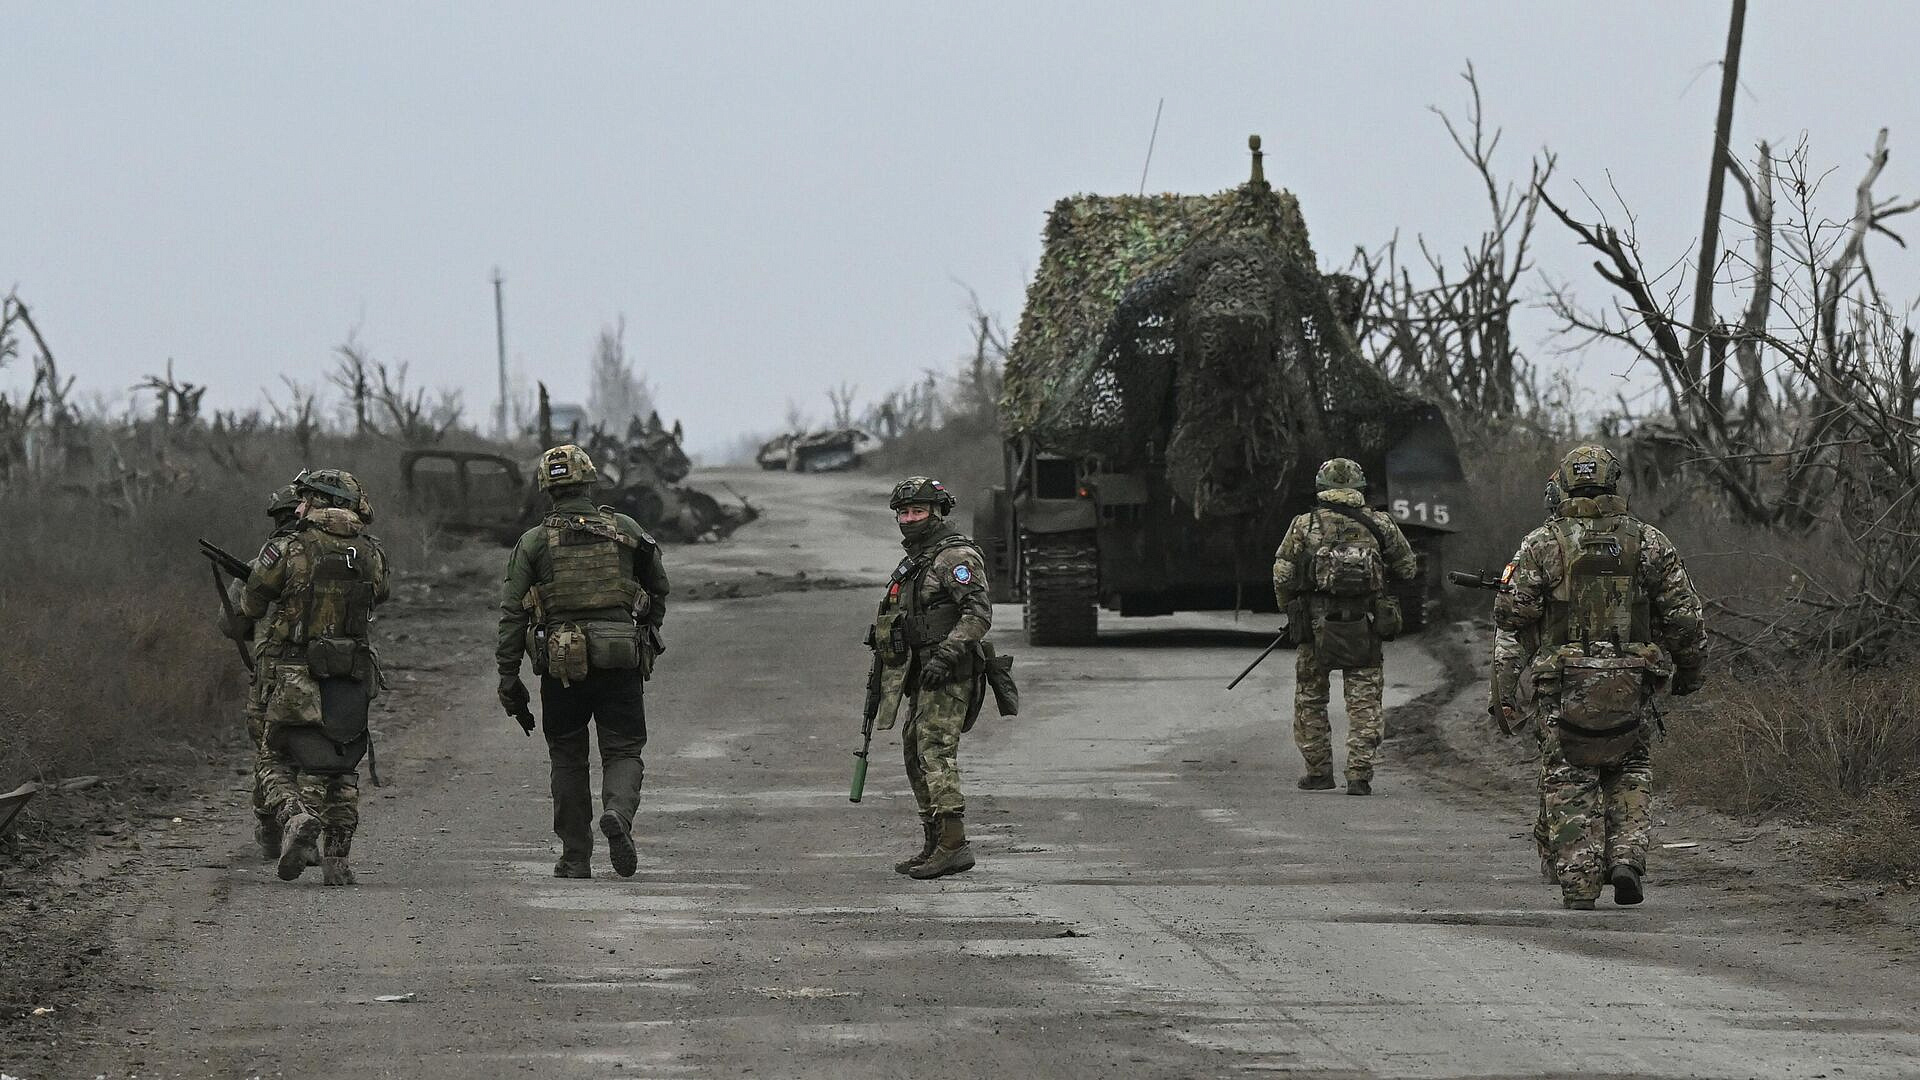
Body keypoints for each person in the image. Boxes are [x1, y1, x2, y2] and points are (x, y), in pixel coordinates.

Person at [1493, 445, 1707, 910]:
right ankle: (1625, 859)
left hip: (1564, 685)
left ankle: (1580, 886)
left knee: (1570, 774)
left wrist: (1507, 692)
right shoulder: (1649, 541)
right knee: (1628, 766)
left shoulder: (1541, 543)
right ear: (1614, 482)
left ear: (1564, 486)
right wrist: (1689, 672)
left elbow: (1512, 615)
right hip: (1632, 683)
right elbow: (1686, 619)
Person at [497, 444, 669, 880]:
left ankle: (575, 858)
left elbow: (513, 612)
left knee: (568, 759)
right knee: (624, 750)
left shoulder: (534, 542)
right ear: (591, 482)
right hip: (620, 657)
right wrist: (647, 630)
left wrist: (508, 677)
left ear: (546, 490)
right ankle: (617, 813)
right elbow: (659, 586)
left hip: (562, 666)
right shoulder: (625, 529)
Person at [230, 469, 389, 886]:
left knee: (275, 757)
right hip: (351, 673)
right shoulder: (371, 553)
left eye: (304, 498)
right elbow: (381, 593)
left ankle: (296, 816)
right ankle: (338, 862)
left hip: (293, 672)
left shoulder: (288, 548)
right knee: (341, 764)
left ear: (317, 501)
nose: (298, 506)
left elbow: (250, 603)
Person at [867, 476, 992, 879]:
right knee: (913, 752)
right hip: (921, 670)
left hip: (950, 670)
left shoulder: (953, 556)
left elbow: (978, 614)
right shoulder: (919, 558)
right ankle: (933, 841)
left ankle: (954, 844)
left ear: (937, 513)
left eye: (918, 511)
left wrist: (947, 655)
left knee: (935, 751)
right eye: (903, 512)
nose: (909, 518)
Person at [1272, 457, 1419, 796]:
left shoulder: (1304, 524)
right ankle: (1359, 776)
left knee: (1310, 699)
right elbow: (1408, 568)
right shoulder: (1380, 523)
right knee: (1364, 703)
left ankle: (1319, 773)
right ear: (1360, 488)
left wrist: (1289, 610)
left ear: (1321, 488)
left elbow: (1282, 573)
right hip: (1364, 625)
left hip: (1314, 626)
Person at [230, 480, 326, 861]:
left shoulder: (270, 558)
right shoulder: (339, 554)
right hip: (329, 669)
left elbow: (235, 622)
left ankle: (275, 826)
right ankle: (305, 828)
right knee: (314, 754)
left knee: (270, 753)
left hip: (274, 673)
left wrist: (244, 582)